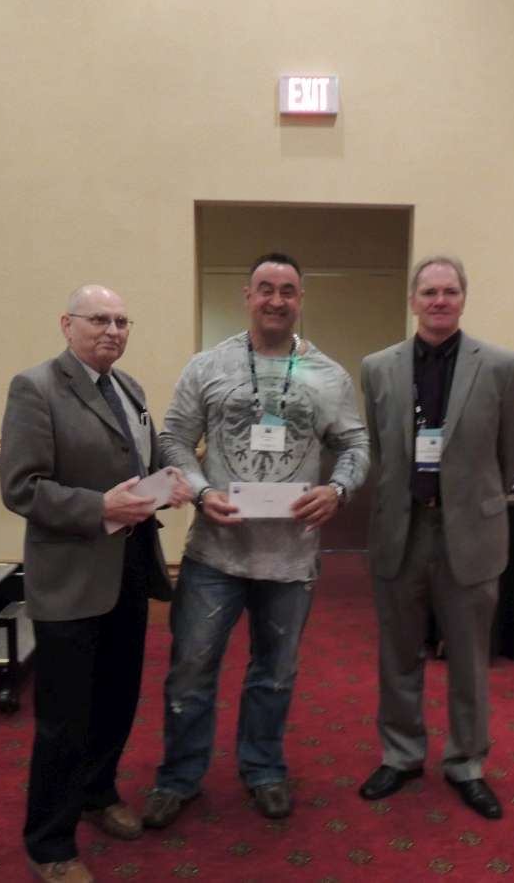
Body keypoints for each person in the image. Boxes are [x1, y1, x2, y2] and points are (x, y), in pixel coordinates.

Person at [142, 252, 369, 828]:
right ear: (247, 296)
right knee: (190, 671)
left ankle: (263, 769)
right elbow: (173, 438)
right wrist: (199, 492)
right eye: (265, 288)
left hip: (291, 559)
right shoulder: (208, 366)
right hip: (214, 554)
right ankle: (178, 777)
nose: (276, 300)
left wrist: (339, 490)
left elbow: (356, 445)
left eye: (287, 290)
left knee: (275, 675)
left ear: (300, 300)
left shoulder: (329, 376)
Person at [0, 284, 192, 883]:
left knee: (116, 698)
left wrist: (167, 481)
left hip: (129, 567)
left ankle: (98, 793)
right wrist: (98, 507)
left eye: (122, 321)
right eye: (100, 319)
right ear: (67, 324)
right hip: (71, 577)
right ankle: (50, 844)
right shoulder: (35, 387)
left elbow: (139, 462)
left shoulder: (128, 387)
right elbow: (21, 488)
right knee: (64, 718)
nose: (113, 330)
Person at [358, 255, 514, 820]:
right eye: (429, 291)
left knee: (469, 659)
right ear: (413, 300)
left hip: (470, 533)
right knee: (398, 654)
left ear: (462, 299)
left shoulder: (500, 366)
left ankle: (467, 763)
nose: (439, 300)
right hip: (401, 530)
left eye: (449, 291)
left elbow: (510, 453)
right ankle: (401, 754)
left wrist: (467, 498)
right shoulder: (377, 367)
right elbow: (380, 450)